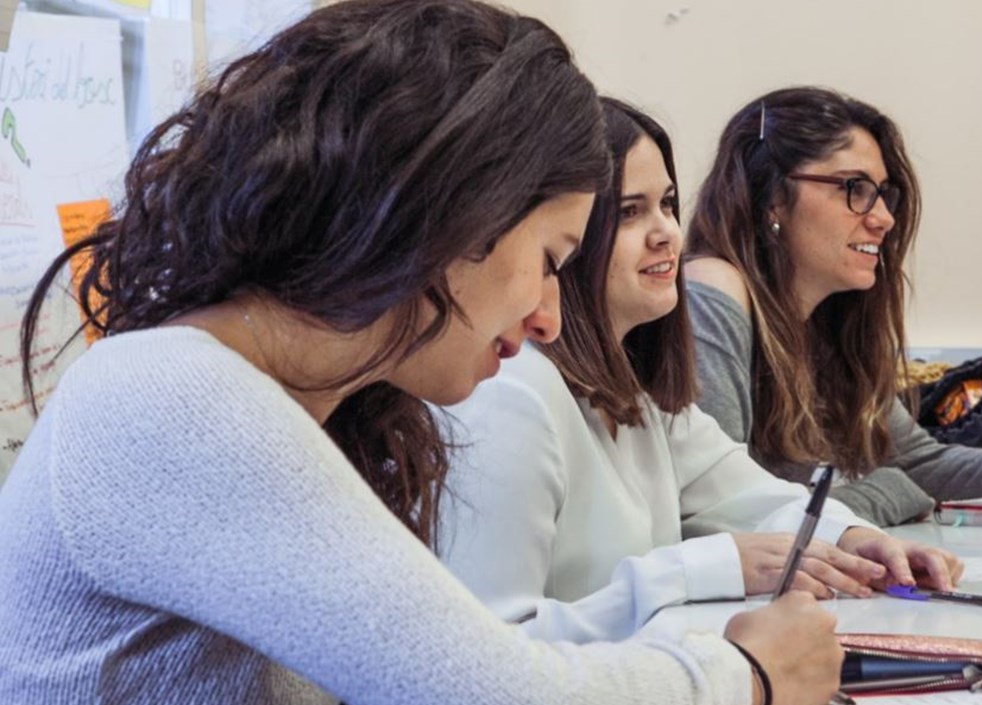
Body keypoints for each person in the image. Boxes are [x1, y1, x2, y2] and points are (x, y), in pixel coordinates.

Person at [0, 5, 838, 705]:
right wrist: (746, 673)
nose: (549, 318)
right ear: (456, 213)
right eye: (549, 260)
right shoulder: (173, 397)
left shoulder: (283, 399)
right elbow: (489, 691)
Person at [438, 98, 962, 648]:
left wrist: (857, 540)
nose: (666, 232)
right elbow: (488, 648)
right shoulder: (511, 392)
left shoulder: (634, 394)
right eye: (629, 212)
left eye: (667, 204)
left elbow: (755, 495)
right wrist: (702, 569)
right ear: (566, 237)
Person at [684, 86, 982, 527]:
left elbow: (917, 463)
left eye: (882, 193)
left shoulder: (826, 324)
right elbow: (726, 514)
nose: (884, 217)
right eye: (855, 188)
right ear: (773, 198)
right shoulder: (712, 289)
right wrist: (889, 492)